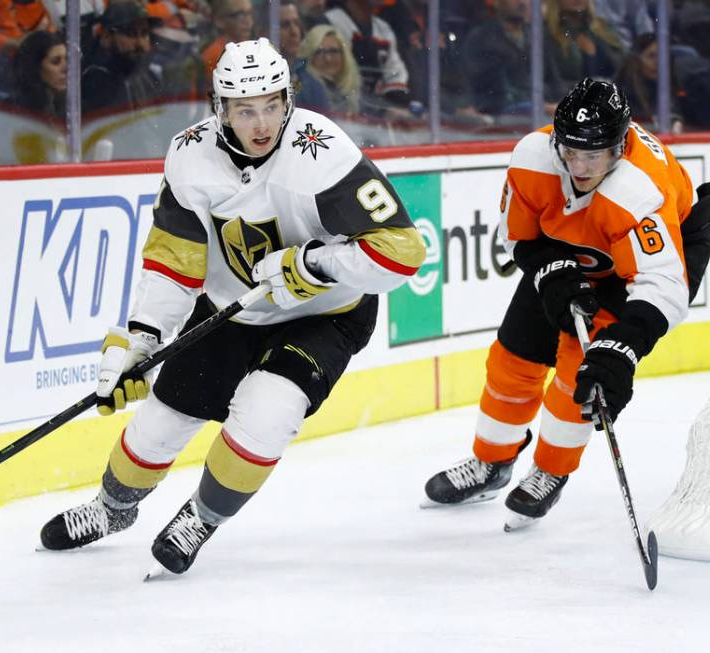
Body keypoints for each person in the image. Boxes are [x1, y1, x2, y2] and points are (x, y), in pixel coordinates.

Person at [38, 37, 425, 575]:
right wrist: (143, 338)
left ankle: (200, 516)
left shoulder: (323, 152)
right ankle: (112, 509)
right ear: (220, 110)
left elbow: (403, 252)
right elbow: (174, 260)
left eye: (272, 105)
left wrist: (315, 265)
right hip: (233, 307)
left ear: (288, 99)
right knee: (160, 423)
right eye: (245, 110)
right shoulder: (190, 155)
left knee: (268, 412)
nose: (262, 123)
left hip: (327, 315)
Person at [423, 78, 710, 529]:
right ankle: (491, 462)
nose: (579, 166)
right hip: (574, 250)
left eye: (593, 154)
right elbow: (517, 235)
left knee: (583, 374)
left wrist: (622, 348)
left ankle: (550, 471)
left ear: (620, 147)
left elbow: (664, 288)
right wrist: (549, 265)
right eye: (571, 150)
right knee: (512, 358)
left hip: (643, 265)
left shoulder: (639, 192)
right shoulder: (533, 158)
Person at [80, 0, 163, 114]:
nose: (140, 43)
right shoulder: (96, 80)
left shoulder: (147, 75)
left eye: (144, 33)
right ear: (106, 37)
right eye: (130, 34)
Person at [295, 23, 361, 115]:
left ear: (344, 56)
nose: (328, 58)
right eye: (320, 52)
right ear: (309, 55)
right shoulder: (305, 88)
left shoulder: (352, 90)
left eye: (333, 51)